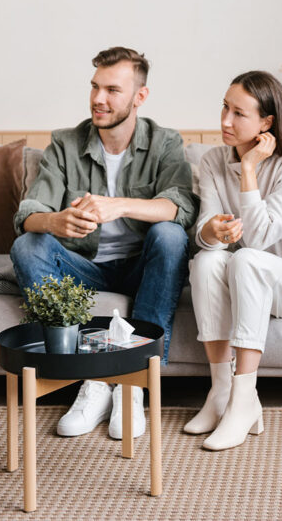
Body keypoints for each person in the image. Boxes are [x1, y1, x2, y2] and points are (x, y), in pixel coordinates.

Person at [10, 47, 196, 440]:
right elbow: (28, 213)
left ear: (139, 97)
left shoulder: (165, 143)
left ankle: (133, 383)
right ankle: (91, 379)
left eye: (112, 89)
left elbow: (180, 208)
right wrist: (54, 221)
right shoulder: (64, 144)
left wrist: (119, 206)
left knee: (169, 234)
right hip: (83, 270)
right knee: (29, 245)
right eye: (95, 87)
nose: (98, 99)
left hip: (143, 268)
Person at [184, 71, 282, 450]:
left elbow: (257, 239)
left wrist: (250, 168)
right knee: (205, 263)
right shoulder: (212, 161)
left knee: (248, 259)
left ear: (266, 123)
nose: (224, 120)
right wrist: (212, 232)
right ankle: (220, 393)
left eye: (238, 113)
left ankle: (244, 402)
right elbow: (203, 230)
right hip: (249, 277)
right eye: (224, 107)